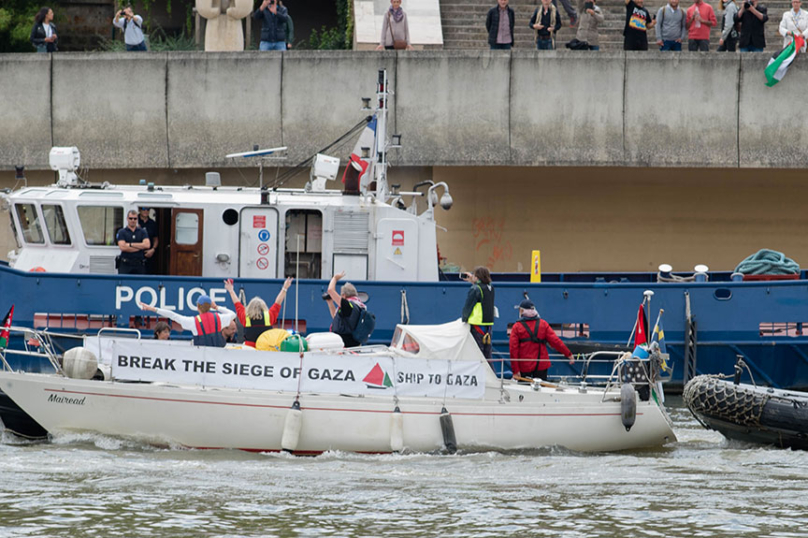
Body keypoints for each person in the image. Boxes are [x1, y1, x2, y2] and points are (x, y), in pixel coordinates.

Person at [509, 300, 574, 381]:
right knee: (541, 390)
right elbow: (556, 341)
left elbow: (513, 349)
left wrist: (515, 370)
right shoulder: (543, 324)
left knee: (524, 390)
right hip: (541, 365)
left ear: (522, 311)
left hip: (524, 366)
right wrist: (568, 354)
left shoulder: (517, 327)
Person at [139, 295, 236, 348]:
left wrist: (153, 309)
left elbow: (173, 316)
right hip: (217, 356)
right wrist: (217, 307)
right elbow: (232, 314)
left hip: (201, 359)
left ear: (198, 306)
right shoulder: (219, 318)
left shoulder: (193, 321)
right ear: (210, 306)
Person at [224, 277, 293, 348]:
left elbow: (237, 303)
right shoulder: (269, 316)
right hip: (265, 348)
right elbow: (278, 302)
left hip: (250, 349)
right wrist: (284, 288)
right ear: (264, 307)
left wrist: (231, 290)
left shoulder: (245, 317)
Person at [461, 266, 495, 361]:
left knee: (476, 354)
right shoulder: (490, 288)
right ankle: (490, 375)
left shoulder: (475, 289)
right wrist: (473, 281)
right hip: (488, 326)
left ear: (477, 277)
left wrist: (464, 319)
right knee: (487, 356)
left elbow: (468, 306)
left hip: (476, 325)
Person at [326, 271, 366, 348]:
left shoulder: (348, 305)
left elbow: (330, 290)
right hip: (353, 344)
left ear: (344, 295)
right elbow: (337, 318)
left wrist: (335, 278)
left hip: (344, 345)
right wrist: (330, 303)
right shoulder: (357, 306)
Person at [116, 209, 150, 275]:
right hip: (125, 264)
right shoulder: (122, 232)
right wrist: (140, 247)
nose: (133, 220)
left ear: (137, 219)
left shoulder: (142, 231)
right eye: (131, 218)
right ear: (127, 219)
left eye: (135, 218)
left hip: (139, 264)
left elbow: (147, 245)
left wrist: (130, 244)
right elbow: (123, 247)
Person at [137, 207, 159, 274]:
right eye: (144, 209)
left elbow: (156, 239)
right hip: (137, 253)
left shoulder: (152, 223)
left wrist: (153, 249)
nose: (146, 211)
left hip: (149, 253)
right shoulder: (135, 221)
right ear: (140, 210)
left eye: (148, 209)